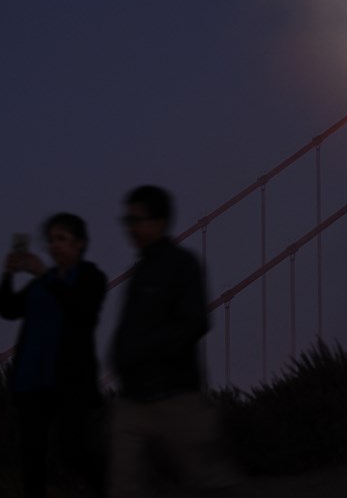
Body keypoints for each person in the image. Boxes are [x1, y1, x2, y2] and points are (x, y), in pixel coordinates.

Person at [109, 185, 237, 497]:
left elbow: (196, 322)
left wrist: (147, 353)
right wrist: (122, 359)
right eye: (128, 220)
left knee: (208, 481)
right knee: (122, 485)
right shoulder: (140, 272)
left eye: (138, 219)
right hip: (133, 400)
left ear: (160, 222)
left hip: (176, 396)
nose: (131, 227)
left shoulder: (182, 265)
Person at [0, 212, 108, 498]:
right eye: (51, 240)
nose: (55, 245)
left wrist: (45, 274)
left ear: (79, 244)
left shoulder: (90, 277)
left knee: (74, 451)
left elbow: (82, 308)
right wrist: (7, 275)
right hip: (30, 383)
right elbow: (8, 309)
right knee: (31, 460)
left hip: (70, 384)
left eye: (62, 239)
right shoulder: (39, 284)